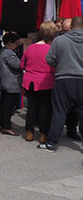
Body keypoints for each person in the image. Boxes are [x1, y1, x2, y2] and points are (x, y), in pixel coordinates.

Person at [41, 15, 83, 152]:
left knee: (59, 111)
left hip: (63, 78)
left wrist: (60, 65)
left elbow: (49, 59)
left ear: (70, 27)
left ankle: (52, 142)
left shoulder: (59, 40)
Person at [20, 21, 57, 143]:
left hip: (29, 81)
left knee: (31, 108)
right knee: (44, 109)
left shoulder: (30, 48)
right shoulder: (51, 50)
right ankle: (43, 134)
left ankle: (29, 132)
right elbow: (53, 68)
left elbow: (22, 64)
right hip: (46, 82)